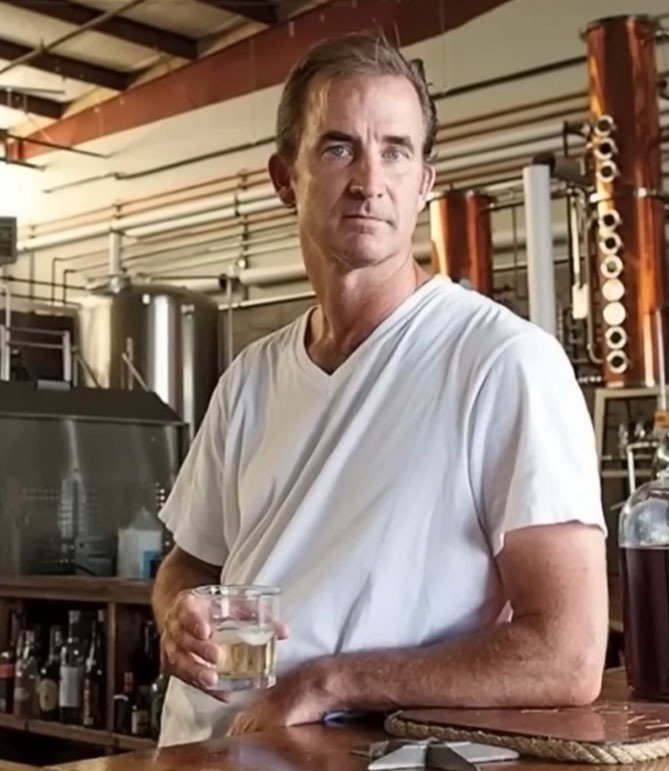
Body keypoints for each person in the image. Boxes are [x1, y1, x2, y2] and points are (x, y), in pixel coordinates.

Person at [152, 32, 608, 747]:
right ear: (284, 178)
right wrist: (178, 609)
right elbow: (192, 559)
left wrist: (330, 680)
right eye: (338, 148)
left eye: (396, 149)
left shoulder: (502, 363)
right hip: (197, 749)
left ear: (425, 182)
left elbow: (567, 653)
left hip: (342, 755)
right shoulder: (251, 377)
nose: (370, 179)